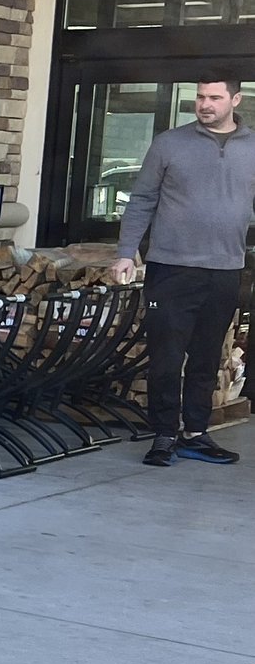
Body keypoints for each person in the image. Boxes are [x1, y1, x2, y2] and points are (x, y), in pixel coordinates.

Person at [111, 77, 253, 467]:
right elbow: (142, 199)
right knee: (167, 358)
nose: (204, 104)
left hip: (226, 269)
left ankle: (195, 433)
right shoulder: (170, 143)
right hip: (171, 268)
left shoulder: (252, 146)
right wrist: (127, 253)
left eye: (214, 98)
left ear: (235, 100)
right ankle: (163, 434)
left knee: (207, 358)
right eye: (200, 97)